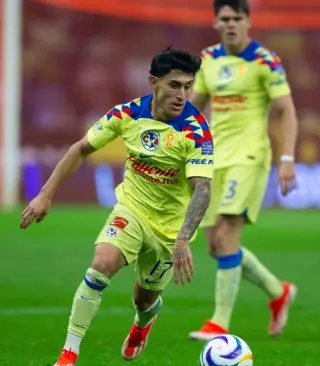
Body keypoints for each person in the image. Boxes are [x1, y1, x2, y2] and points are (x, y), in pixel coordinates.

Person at [19, 47, 214, 365]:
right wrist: (45, 195)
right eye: (174, 85)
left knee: (144, 297)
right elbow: (81, 148)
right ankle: (69, 353)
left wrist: (182, 239)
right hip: (132, 208)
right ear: (154, 82)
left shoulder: (196, 130)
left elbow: (202, 189)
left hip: (169, 229)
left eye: (187, 86)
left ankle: (143, 322)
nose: (182, 94)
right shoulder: (127, 114)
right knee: (102, 263)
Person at [188, 0, 299, 341]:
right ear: (216, 23)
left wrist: (287, 159)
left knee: (229, 234)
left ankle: (219, 323)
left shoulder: (264, 60)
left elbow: (286, 111)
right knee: (214, 245)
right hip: (213, 158)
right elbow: (194, 107)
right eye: (225, 18)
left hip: (249, 157)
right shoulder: (208, 59)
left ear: (248, 21)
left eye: (237, 18)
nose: (231, 24)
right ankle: (278, 291)